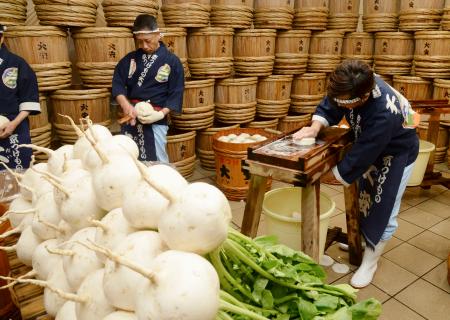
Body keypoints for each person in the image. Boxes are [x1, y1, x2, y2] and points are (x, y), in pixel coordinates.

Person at [293, 59, 420, 288]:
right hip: (373, 144)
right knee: (365, 200)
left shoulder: (383, 114)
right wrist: (314, 127)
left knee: (384, 207)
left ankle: (370, 262)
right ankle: (362, 241)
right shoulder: (354, 82)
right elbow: (332, 103)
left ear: (363, 98)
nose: (340, 106)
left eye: (346, 103)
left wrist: (320, 174)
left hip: (397, 153)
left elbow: (360, 157)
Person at [112, 14, 184, 162]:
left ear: (158, 35)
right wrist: (125, 105)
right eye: (140, 42)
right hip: (131, 116)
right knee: (130, 160)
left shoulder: (172, 61)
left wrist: (161, 114)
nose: (144, 46)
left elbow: (176, 92)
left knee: (156, 161)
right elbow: (117, 82)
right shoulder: (130, 59)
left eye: (148, 40)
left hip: (156, 117)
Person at [0, 24, 40, 170]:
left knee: (17, 177)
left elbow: (28, 98)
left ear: (2, 38)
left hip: (13, 127)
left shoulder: (17, 64)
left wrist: (13, 124)